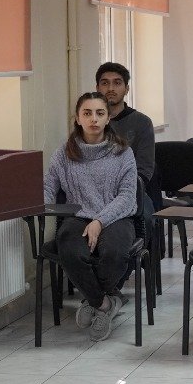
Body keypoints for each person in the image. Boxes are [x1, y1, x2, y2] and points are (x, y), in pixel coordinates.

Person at [44, 92, 139, 341]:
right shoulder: (64, 153)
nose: (93, 119)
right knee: (71, 251)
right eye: (87, 113)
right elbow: (48, 187)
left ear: (108, 118)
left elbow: (128, 197)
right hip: (78, 216)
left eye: (100, 113)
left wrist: (100, 221)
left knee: (114, 253)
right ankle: (106, 304)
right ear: (77, 118)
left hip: (116, 217)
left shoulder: (123, 153)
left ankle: (92, 299)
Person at [96, 62, 155, 189]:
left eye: (117, 83)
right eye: (105, 83)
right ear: (97, 88)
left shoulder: (142, 122)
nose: (111, 88)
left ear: (126, 89)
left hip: (130, 192)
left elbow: (144, 171)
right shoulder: (91, 122)